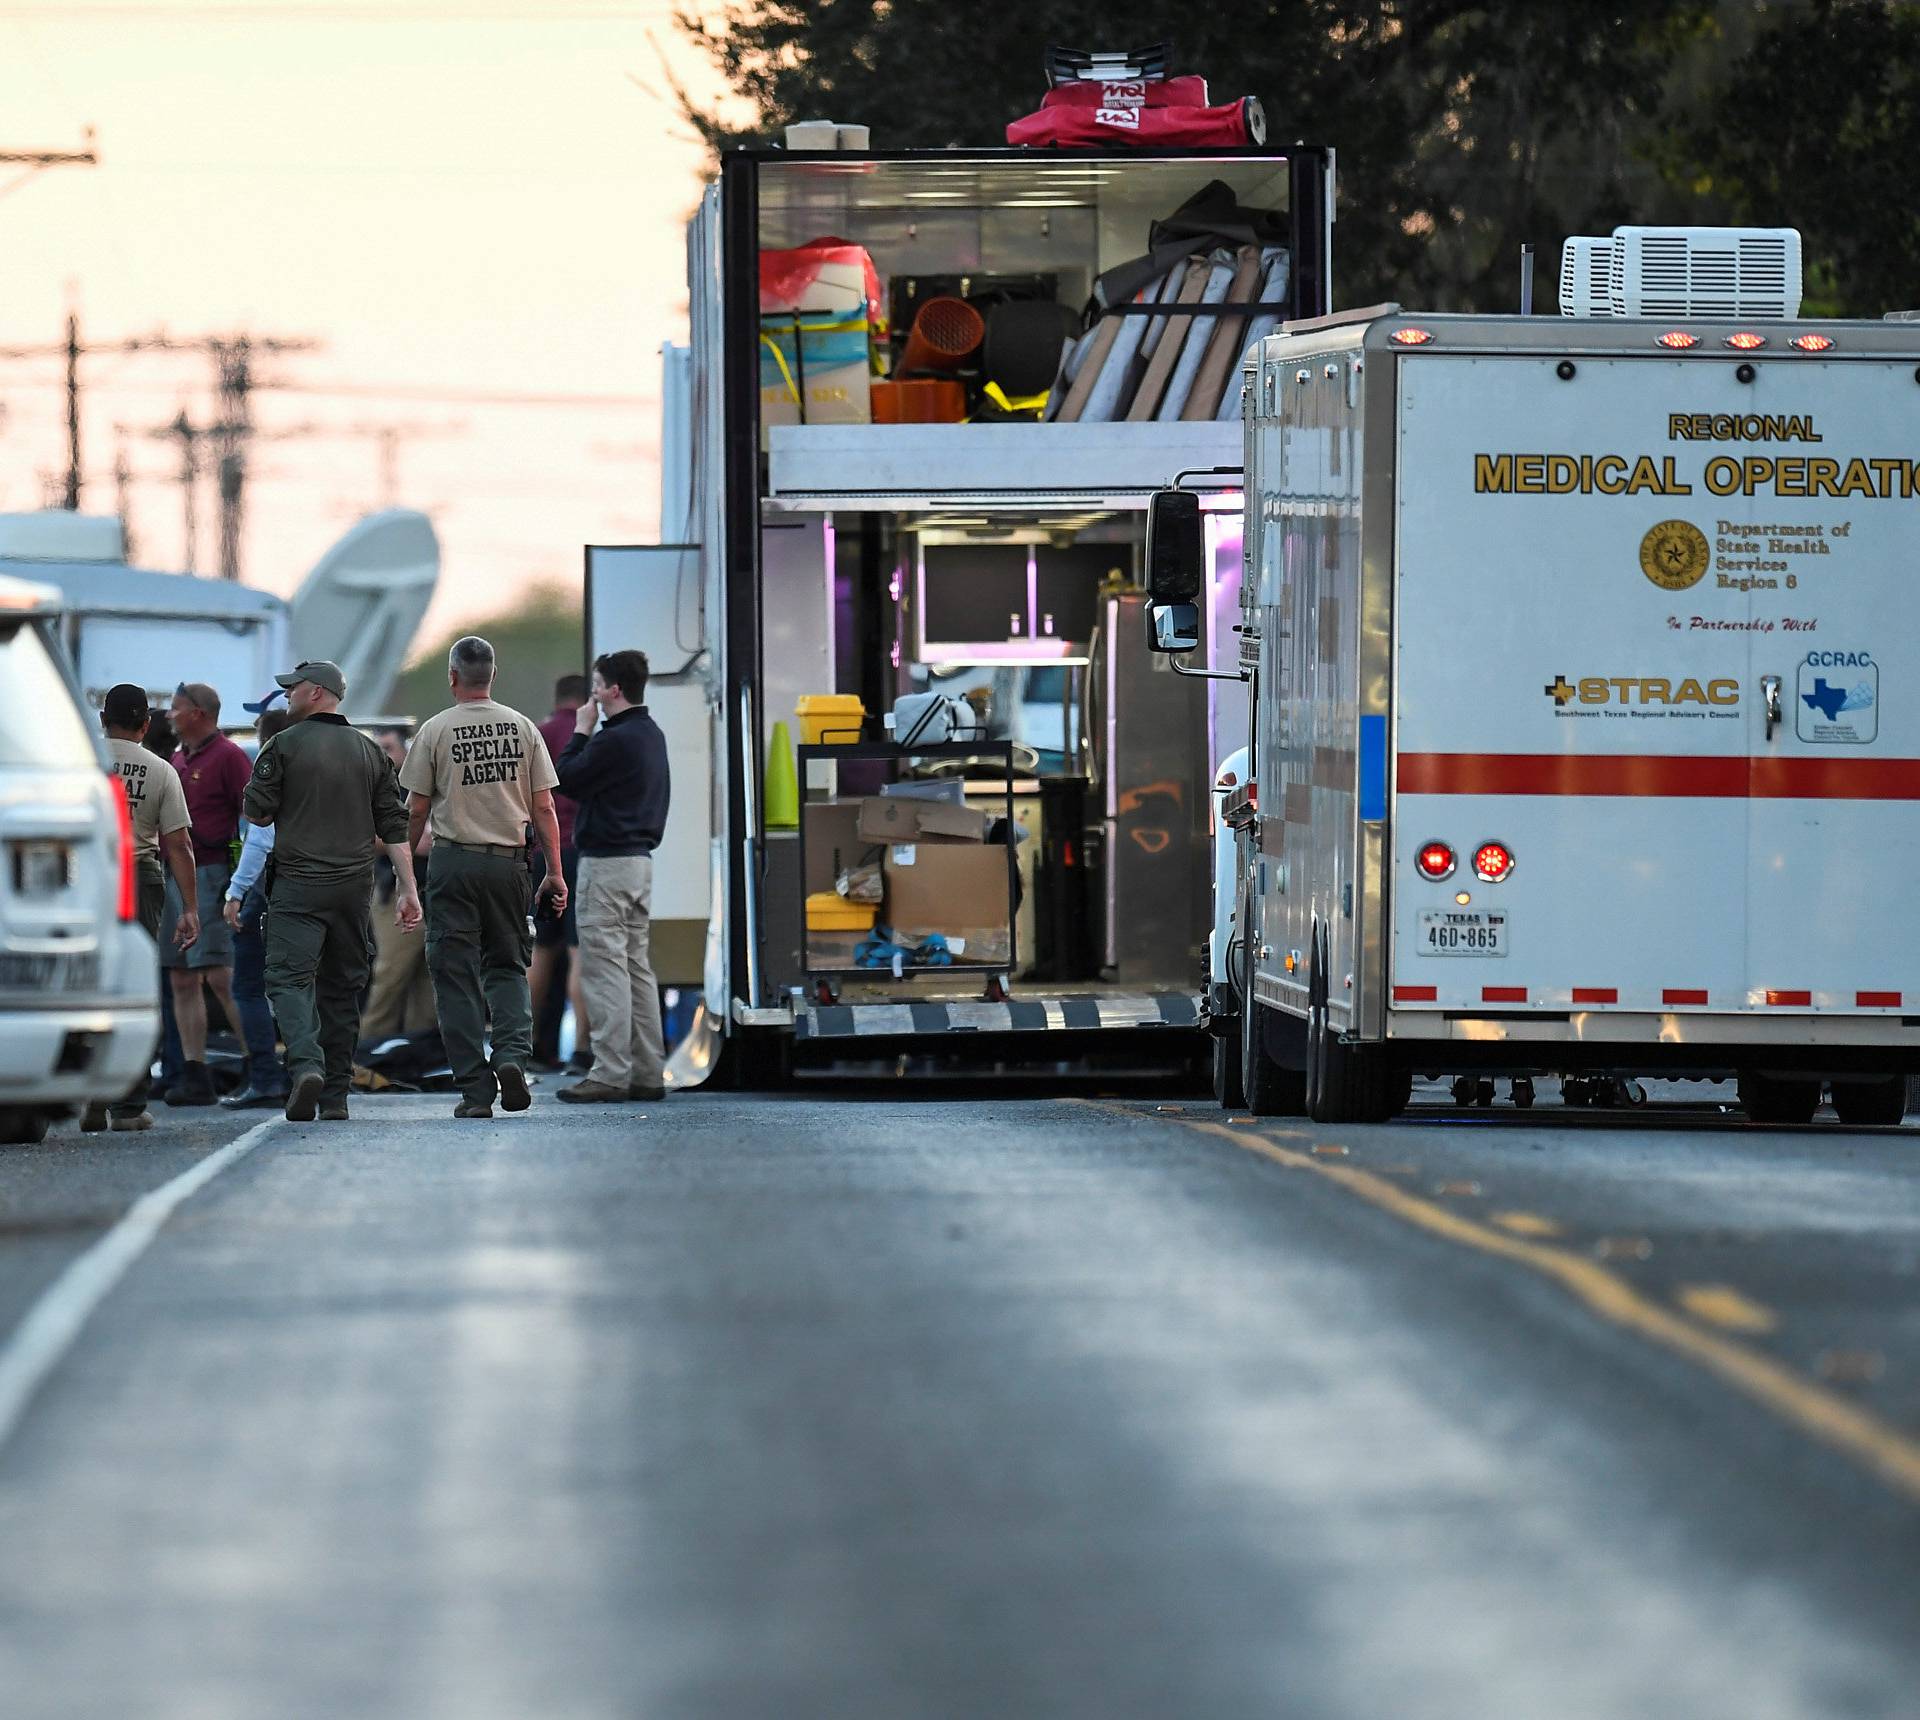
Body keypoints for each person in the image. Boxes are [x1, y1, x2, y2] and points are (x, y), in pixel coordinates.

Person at [243, 660, 420, 1123]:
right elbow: (395, 824)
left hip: (298, 888)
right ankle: (337, 1095)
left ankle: (306, 1065)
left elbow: (258, 814)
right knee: (342, 989)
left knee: (288, 979)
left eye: (293, 688)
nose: (286, 696)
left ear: (317, 693)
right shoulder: (369, 751)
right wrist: (408, 888)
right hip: (353, 890)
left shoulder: (282, 745)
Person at [399, 636, 565, 1119]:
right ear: (494, 675)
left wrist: (407, 873)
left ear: (452, 677)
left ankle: (476, 1091)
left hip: (453, 863)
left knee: (454, 977)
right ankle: (511, 1057)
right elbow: (545, 806)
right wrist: (554, 872)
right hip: (510, 862)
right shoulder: (523, 728)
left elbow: (416, 811)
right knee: (507, 967)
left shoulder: (434, 730)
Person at [553, 649, 670, 1104]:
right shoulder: (651, 734)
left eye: (598, 686)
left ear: (614, 690)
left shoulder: (613, 739)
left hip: (606, 864)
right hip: (640, 861)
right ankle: (646, 1071)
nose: (594, 695)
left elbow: (565, 779)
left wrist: (580, 731)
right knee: (637, 968)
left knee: (605, 969)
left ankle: (609, 1072)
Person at [83, 685, 201, 1133]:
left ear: (101, 720)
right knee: (134, 987)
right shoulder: (161, 770)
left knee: (89, 983)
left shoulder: (81, 762)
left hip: (88, 878)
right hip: (139, 879)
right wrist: (189, 906)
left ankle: (87, 1090)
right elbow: (179, 843)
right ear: (146, 726)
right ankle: (128, 1105)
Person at [159, 681, 252, 1105]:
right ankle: (195, 1071)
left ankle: (258, 1062)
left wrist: (240, 881)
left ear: (198, 712)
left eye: (176, 708)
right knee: (181, 975)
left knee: (218, 973)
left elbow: (253, 819)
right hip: (177, 874)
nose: (169, 715)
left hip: (211, 871)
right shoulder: (179, 758)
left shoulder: (229, 758)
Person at [217, 707, 292, 1109]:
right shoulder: (312, 774)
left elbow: (259, 840)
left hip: (269, 890)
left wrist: (236, 892)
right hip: (312, 888)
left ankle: (265, 1076)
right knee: (300, 987)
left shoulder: (267, 776)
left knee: (247, 987)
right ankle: (307, 1072)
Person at [362, 725, 437, 1041]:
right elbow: (365, 837)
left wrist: (398, 838)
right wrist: (401, 840)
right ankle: (367, 1048)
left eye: (389, 748)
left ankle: (419, 1051)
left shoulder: (422, 787)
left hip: (433, 890)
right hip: (393, 894)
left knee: (428, 981)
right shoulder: (376, 789)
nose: (384, 756)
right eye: (379, 749)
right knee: (390, 975)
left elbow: (431, 841)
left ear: (408, 752)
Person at [531, 673, 590, 1072]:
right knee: (578, 951)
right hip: (580, 852)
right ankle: (583, 1050)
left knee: (539, 952)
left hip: (541, 855)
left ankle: (531, 1045)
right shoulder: (590, 736)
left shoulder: (538, 733)